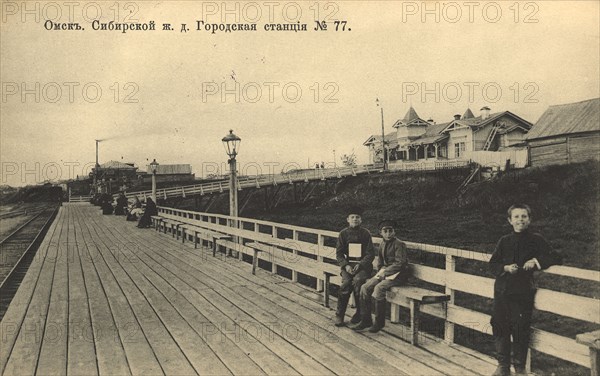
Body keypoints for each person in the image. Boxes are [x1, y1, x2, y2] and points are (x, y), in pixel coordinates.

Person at [489, 204, 562, 376]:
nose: (520, 220)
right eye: (516, 217)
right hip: (502, 292)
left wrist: (536, 261)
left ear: (529, 220)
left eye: (524, 216)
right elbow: (492, 264)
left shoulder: (536, 239)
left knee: (520, 328)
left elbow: (556, 256)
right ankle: (503, 366)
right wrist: (505, 268)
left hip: (522, 293)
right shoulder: (504, 241)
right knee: (499, 325)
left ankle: (519, 368)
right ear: (510, 220)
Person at [352, 219, 409, 333]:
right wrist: (380, 273)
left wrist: (385, 273)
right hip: (384, 274)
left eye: (390, 231)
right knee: (365, 287)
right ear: (381, 233)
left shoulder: (399, 244)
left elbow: (400, 264)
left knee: (379, 288)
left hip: (399, 275)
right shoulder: (382, 244)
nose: (388, 234)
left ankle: (379, 322)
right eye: (385, 231)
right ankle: (366, 319)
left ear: (394, 232)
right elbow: (380, 262)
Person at [334, 206, 375, 327]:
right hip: (348, 265)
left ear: (361, 220)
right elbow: (339, 254)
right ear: (348, 219)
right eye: (352, 217)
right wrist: (345, 266)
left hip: (363, 266)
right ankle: (339, 315)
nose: (355, 219)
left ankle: (360, 314)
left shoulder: (366, 233)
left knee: (358, 282)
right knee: (346, 284)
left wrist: (361, 264)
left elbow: (370, 253)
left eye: (357, 217)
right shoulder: (343, 234)